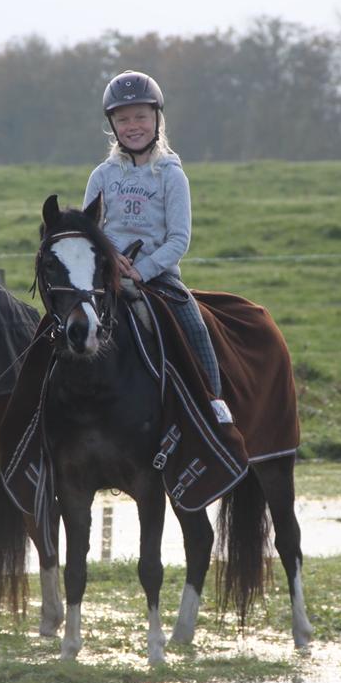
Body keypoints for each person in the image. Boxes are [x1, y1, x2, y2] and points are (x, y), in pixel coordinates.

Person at [83, 70, 232, 424]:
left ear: (157, 119)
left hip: (158, 277)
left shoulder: (171, 175)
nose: (133, 126)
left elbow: (179, 239)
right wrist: (110, 259)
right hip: (108, 275)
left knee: (193, 325)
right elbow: (90, 229)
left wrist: (143, 269)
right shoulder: (102, 176)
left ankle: (213, 400)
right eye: (123, 119)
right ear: (113, 125)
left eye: (141, 117)